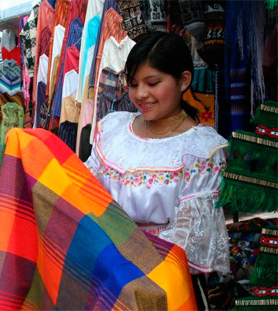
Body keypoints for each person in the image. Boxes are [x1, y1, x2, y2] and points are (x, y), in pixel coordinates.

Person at [84, 31, 230, 310]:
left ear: (184, 80)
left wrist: (128, 265)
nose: (140, 94)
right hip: (105, 275)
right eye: (134, 83)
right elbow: (85, 194)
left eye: (153, 83)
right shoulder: (113, 130)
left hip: (164, 284)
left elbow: (186, 240)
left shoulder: (202, 150)